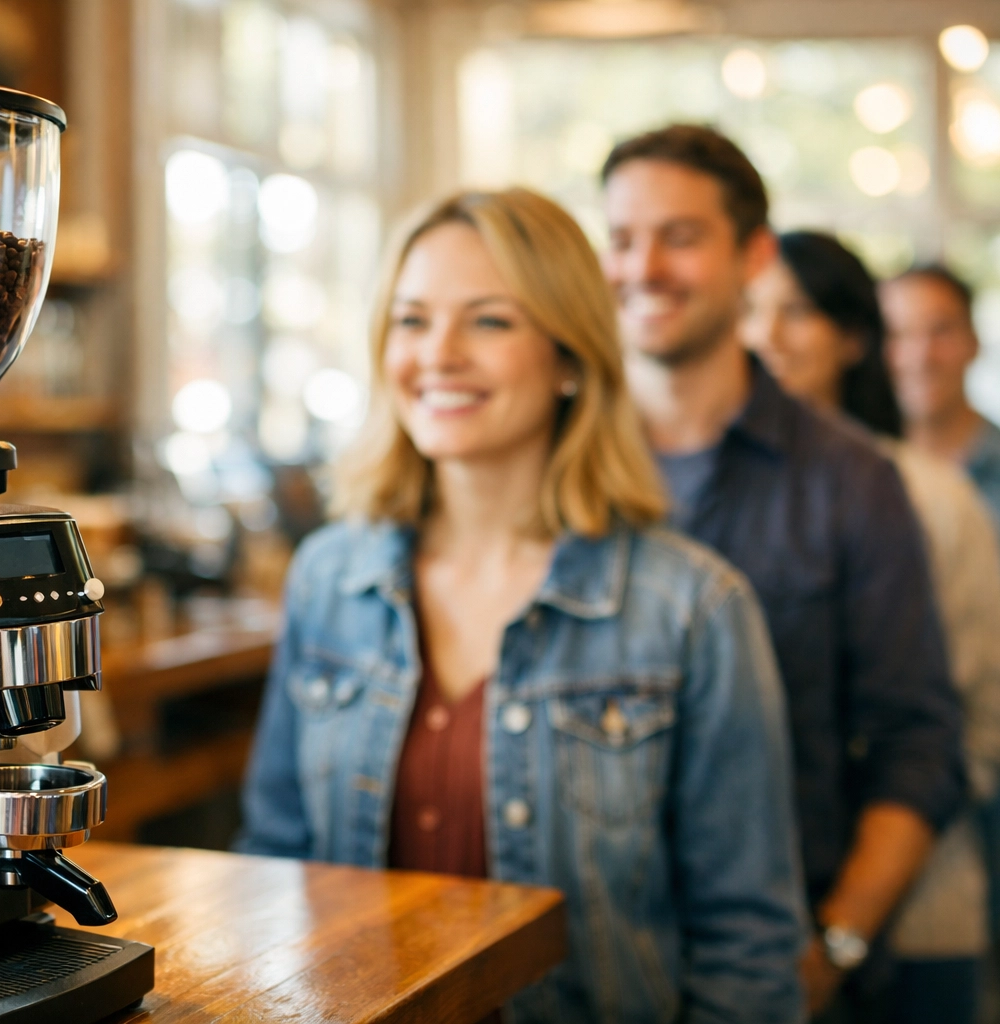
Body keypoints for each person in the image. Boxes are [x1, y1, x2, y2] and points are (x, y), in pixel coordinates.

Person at [236, 187, 806, 1023]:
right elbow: (273, 869)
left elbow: (747, 947)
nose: (439, 355)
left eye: (490, 321)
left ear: (570, 357)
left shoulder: (692, 608)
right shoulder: (330, 577)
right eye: (412, 320)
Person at [600, 125, 964, 1020]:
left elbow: (917, 744)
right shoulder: (557, 469)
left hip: (789, 972)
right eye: (621, 238)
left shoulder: (852, 480)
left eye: (680, 237)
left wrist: (833, 947)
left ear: (752, 255)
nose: (643, 267)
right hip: (585, 972)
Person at [743, 231, 1000, 1024]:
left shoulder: (929, 496)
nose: (766, 337)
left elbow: (993, 724)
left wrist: (875, 854)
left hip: (916, 908)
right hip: (761, 908)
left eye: (795, 312)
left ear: (852, 337)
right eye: (751, 311)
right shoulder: (712, 494)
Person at [881, 265, 1000, 1021]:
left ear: (974, 341)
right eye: (898, 332)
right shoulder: (861, 485)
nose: (919, 352)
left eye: (939, 328)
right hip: (901, 826)